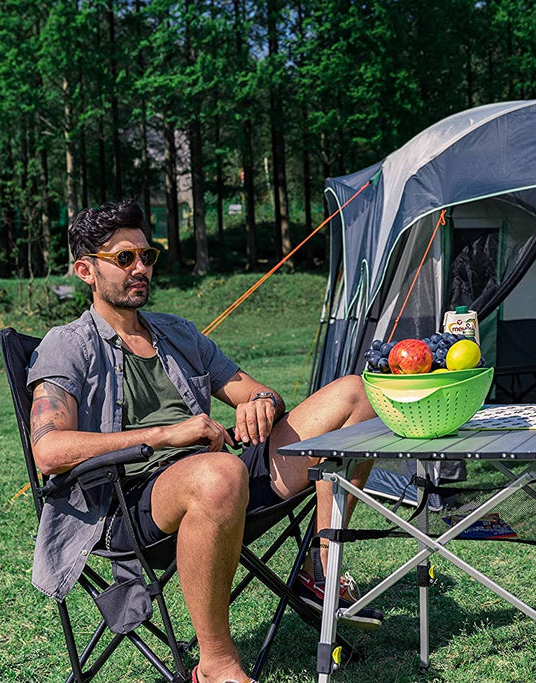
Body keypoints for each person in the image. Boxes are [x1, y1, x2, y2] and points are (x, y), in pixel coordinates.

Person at [27, 200, 379, 683]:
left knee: (355, 395)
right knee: (220, 473)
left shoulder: (176, 332)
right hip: (130, 508)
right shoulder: (67, 344)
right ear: (86, 270)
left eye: (147, 257)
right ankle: (215, 665)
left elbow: (252, 389)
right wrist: (168, 434)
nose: (140, 269)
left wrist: (261, 401)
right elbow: (47, 451)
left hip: (221, 480)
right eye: (124, 259)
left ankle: (320, 568)